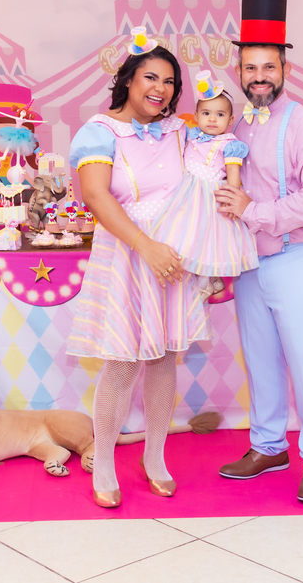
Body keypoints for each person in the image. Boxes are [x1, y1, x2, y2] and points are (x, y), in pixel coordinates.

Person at [66, 37, 207, 508]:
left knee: (164, 357)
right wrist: (146, 247)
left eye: (169, 81)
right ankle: (104, 463)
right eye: (150, 77)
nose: (160, 89)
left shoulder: (180, 131)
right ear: (127, 80)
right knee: (122, 361)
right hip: (129, 256)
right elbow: (96, 196)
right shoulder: (99, 131)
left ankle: (155, 457)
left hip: (172, 261)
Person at [213, 0, 303, 503]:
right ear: (239, 72)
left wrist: (254, 211)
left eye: (269, 66)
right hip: (251, 260)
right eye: (250, 68)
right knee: (260, 359)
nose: (259, 76)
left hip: (299, 258)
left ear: (286, 68)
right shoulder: (239, 125)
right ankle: (268, 446)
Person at [150, 70, 260, 292]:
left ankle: (208, 280)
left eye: (220, 114)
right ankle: (200, 281)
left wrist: (232, 201)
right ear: (197, 115)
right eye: (206, 113)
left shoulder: (229, 144)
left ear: (230, 120)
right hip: (186, 192)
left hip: (210, 196)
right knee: (184, 235)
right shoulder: (191, 134)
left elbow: (234, 176)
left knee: (208, 237)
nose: (212, 119)